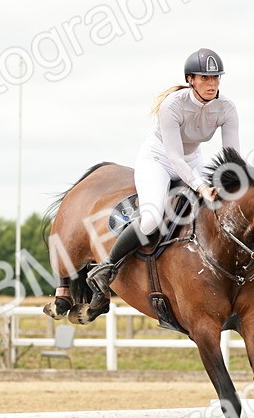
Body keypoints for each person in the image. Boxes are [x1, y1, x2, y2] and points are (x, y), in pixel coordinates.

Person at [87, 48, 241, 297]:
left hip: (192, 160)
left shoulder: (226, 108)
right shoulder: (172, 105)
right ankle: (108, 265)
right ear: (190, 79)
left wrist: (237, 185)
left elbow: (232, 157)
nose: (211, 84)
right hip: (158, 160)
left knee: (224, 208)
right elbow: (174, 157)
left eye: (215, 78)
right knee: (151, 219)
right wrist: (201, 186)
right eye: (205, 78)